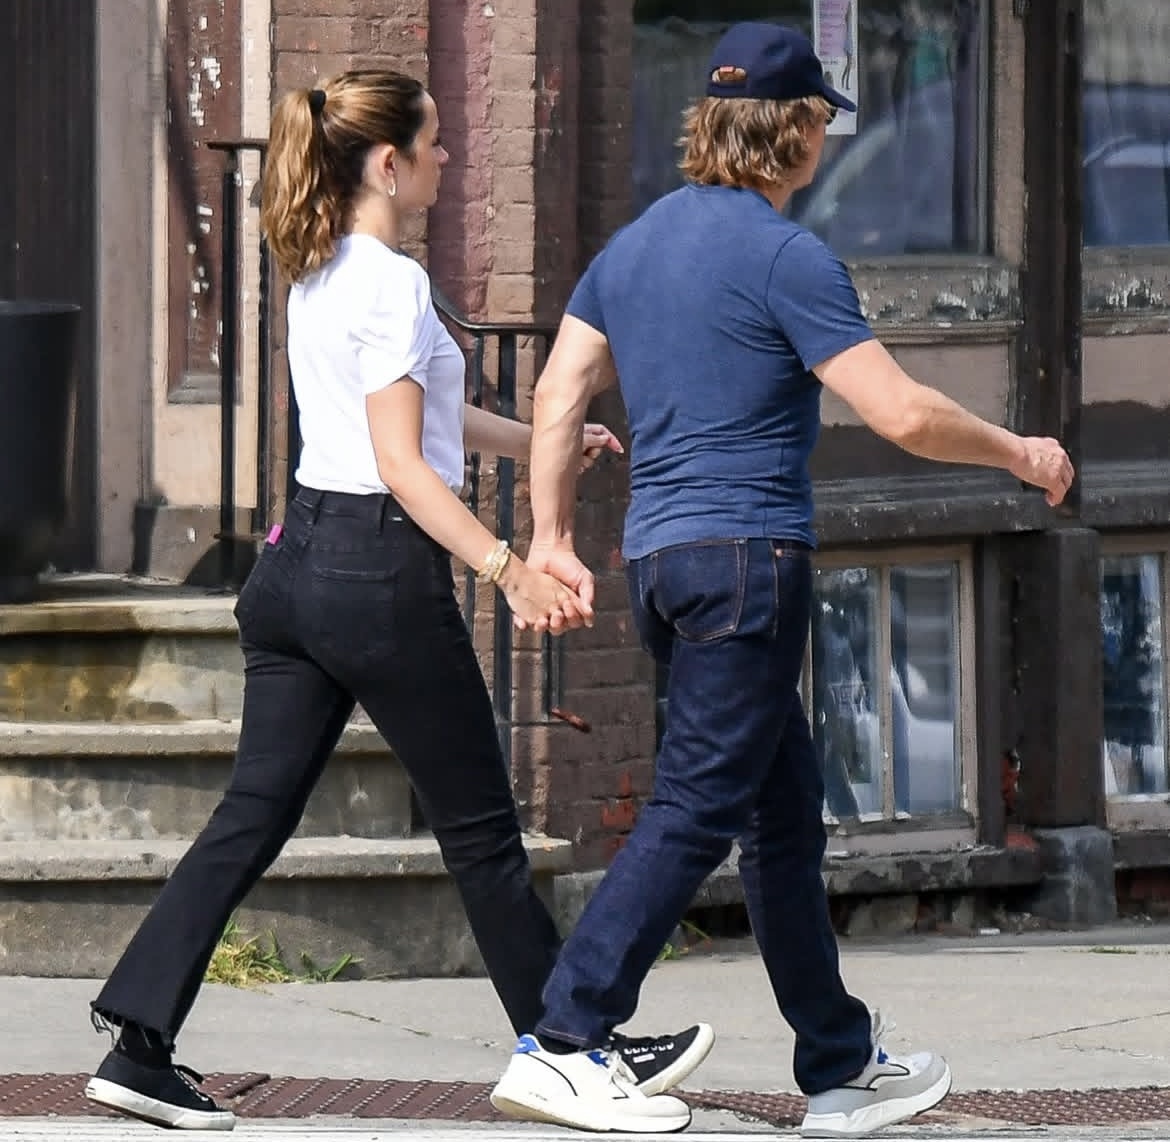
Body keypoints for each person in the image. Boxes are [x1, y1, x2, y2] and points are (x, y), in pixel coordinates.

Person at [83, 69, 712, 1132]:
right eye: (434, 142)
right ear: (388, 163)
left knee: (252, 815)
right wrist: (509, 568)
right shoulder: (394, 282)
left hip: (298, 568)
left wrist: (545, 440)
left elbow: (422, 420)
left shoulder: (321, 268)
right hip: (376, 574)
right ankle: (567, 1049)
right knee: (483, 832)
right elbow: (402, 465)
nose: (447, 158)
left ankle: (137, 1044)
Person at [490, 23, 1074, 1138]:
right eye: (820, 121)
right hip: (746, 563)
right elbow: (901, 412)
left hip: (662, 562)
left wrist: (552, 534)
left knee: (781, 816)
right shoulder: (786, 256)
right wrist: (1019, 453)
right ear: (797, 132)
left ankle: (840, 1068)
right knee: (699, 803)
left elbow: (558, 393)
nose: (822, 140)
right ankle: (565, 1038)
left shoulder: (633, 248)